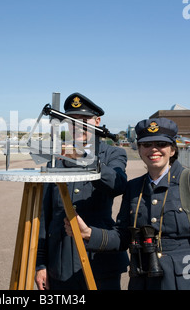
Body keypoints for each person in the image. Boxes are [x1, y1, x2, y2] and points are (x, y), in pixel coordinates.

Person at [65, 118, 190, 290]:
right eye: (146, 144)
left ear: (173, 149)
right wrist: (89, 233)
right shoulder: (134, 187)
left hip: (185, 282)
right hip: (143, 281)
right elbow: (123, 236)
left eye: (161, 143)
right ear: (139, 149)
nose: (153, 149)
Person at [35, 92, 129, 290]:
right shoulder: (55, 156)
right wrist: (41, 264)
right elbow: (45, 214)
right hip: (61, 262)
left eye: (84, 120)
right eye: (72, 120)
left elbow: (118, 184)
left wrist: (84, 157)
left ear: (97, 121)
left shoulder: (113, 153)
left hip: (99, 260)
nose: (78, 125)